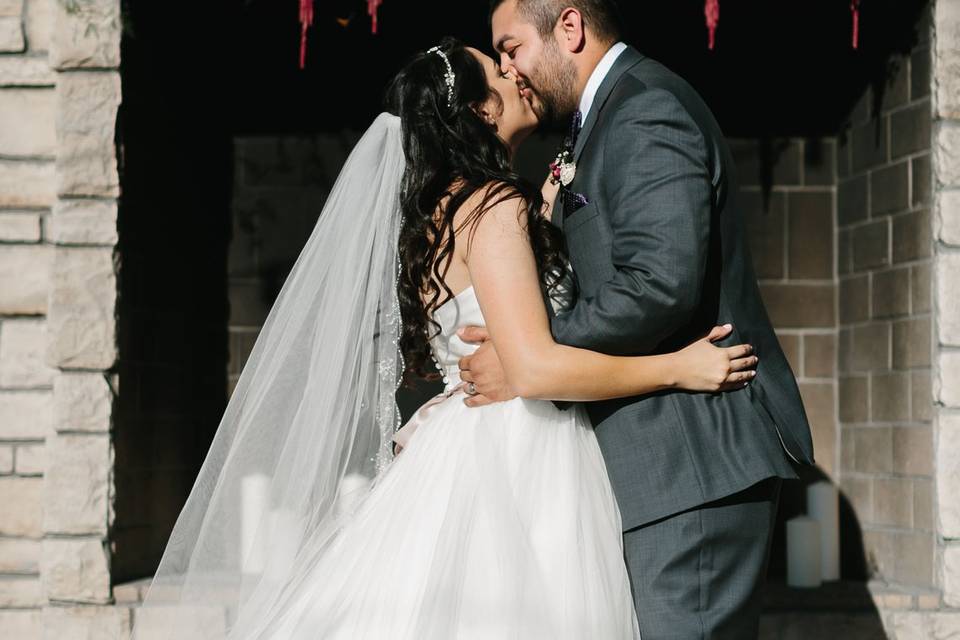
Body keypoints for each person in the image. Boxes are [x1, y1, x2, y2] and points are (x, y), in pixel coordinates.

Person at [129, 38, 758, 640]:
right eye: (500, 69)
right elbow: (535, 370)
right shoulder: (493, 208)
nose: (516, 76)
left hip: (467, 442)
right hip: (521, 452)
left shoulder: (445, 214)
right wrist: (679, 368)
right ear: (481, 111)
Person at [453, 1, 817, 638]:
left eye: (512, 48)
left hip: (694, 460)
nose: (511, 71)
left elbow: (659, 284)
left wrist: (527, 353)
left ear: (569, 28)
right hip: (653, 468)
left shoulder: (645, 108)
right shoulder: (600, 123)